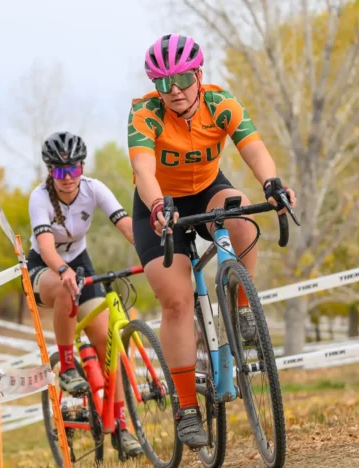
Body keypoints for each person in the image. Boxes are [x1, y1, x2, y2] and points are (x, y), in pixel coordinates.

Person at [127, 34, 298, 450]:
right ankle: (186, 408)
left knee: (239, 217)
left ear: (198, 74)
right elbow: (144, 170)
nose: (176, 91)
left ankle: (242, 312)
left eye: (183, 78)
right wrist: (157, 206)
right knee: (177, 302)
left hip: (206, 188)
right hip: (158, 206)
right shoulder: (145, 113)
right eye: (164, 83)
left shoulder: (221, 103)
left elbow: (253, 149)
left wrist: (271, 183)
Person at [26, 131, 143, 457]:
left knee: (109, 340)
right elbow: (47, 245)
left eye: (73, 170)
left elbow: (125, 224)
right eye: (60, 171)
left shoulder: (94, 189)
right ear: (50, 171)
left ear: (81, 167)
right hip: (44, 266)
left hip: (81, 262)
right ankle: (66, 368)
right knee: (65, 290)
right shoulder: (40, 197)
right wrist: (63, 271)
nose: (67, 178)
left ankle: (120, 426)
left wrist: (149, 250)